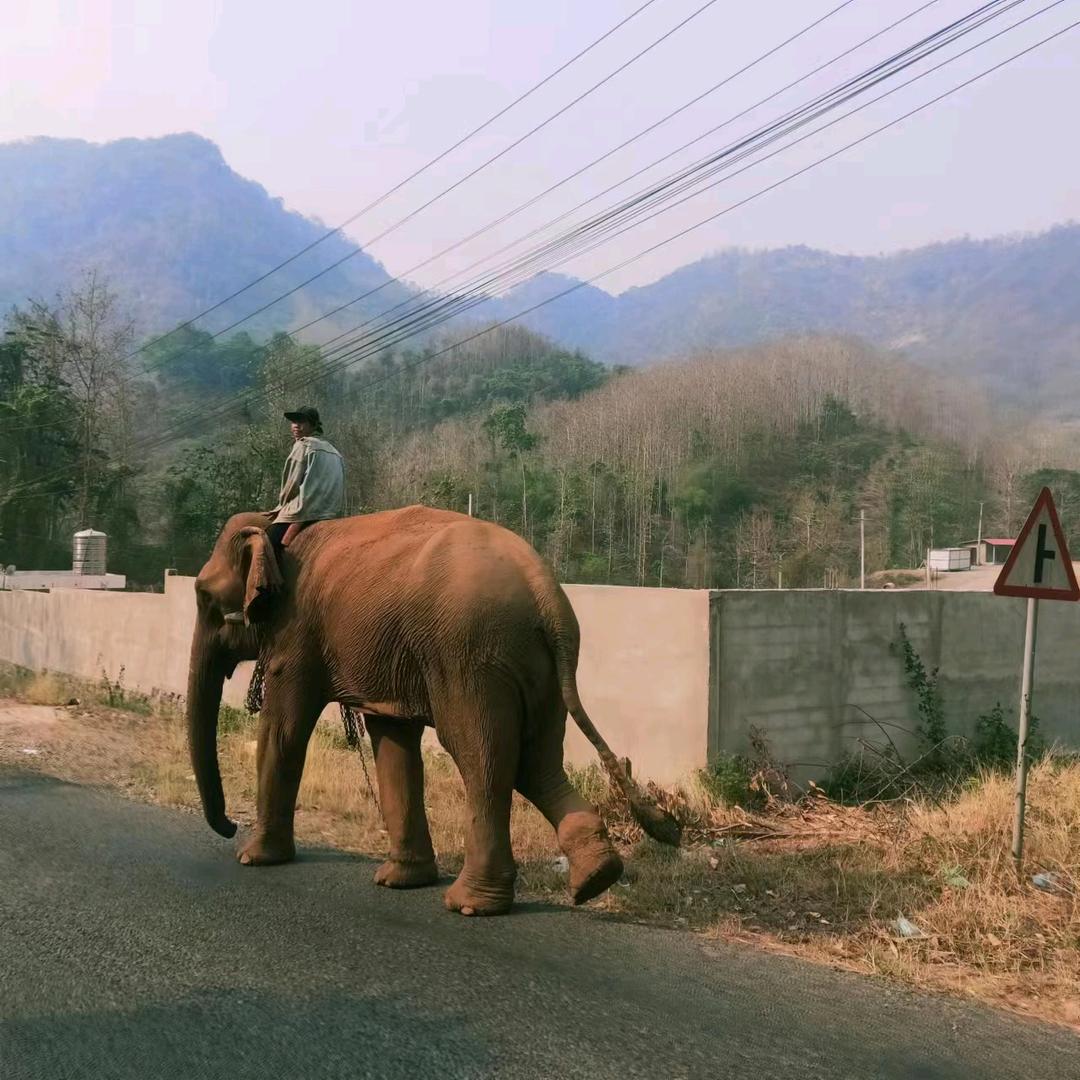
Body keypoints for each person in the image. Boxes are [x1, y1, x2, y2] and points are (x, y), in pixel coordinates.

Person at [266, 405, 345, 558]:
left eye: (301, 422)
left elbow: (291, 485)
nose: (296, 426)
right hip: (331, 513)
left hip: (305, 512)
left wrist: (281, 506)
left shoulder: (303, 445)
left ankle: (268, 574)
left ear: (314, 425)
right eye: (294, 422)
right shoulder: (335, 451)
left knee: (267, 544)